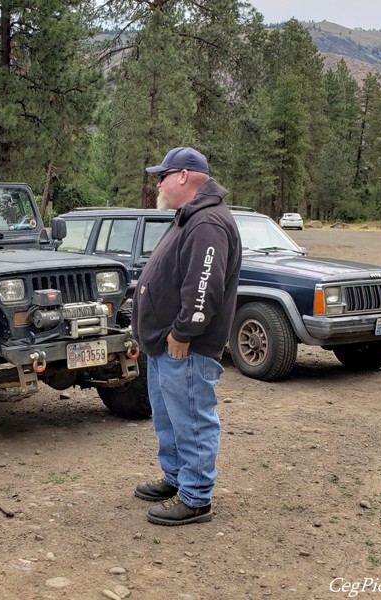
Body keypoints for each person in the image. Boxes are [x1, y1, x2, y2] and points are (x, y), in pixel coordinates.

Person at [131, 147, 242, 526]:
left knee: (193, 418)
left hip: (185, 347)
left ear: (182, 176)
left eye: (161, 176)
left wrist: (184, 331)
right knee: (170, 418)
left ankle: (196, 498)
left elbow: (204, 285)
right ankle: (177, 478)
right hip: (165, 344)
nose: (157, 183)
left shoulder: (207, 222)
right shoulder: (188, 216)